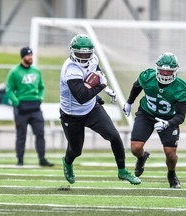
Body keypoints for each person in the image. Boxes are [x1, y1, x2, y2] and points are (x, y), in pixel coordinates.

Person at [59, 34, 141, 185]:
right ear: (72, 52)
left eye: (87, 54)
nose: (84, 57)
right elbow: (82, 97)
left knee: (114, 136)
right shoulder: (71, 70)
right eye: (80, 54)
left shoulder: (93, 59)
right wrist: (101, 87)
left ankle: (122, 171)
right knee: (76, 151)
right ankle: (67, 162)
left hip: (91, 109)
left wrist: (104, 85)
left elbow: (96, 71)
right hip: (72, 114)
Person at [123, 52, 186, 188]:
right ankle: (142, 157)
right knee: (135, 148)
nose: (165, 74)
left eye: (168, 72)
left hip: (169, 118)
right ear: (157, 69)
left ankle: (172, 174)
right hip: (146, 114)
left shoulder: (180, 87)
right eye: (162, 71)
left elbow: (181, 116)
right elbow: (137, 86)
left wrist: (168, 123)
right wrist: (129, 102)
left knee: (170, 154)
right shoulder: (148, 77)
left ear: (175, 71)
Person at [6, 46, 54, 167]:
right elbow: (9, 90)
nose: (30, 57)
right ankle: (20, 160)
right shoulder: (14, 71)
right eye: (28, 55)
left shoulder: (36, 71)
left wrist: (40, 98)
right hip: (21, 108)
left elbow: (42, 87)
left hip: (35, 108)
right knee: (21, 136)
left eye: (31, 55)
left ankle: (42, 159)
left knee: (40, 134)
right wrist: (17, 103)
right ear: (22, 57)